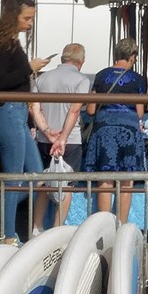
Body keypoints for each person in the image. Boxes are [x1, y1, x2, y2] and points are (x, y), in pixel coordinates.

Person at [0, 0, 49, 244]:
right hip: (8, 111)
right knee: (15, 175)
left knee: (35, 173)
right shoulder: (4, 46)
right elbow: (0, 82)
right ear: (14, 17)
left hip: (16, 112)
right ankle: (7, 235)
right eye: (27, 18)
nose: (30, 23)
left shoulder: (9, 43)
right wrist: (29, 67)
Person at [84, 38, 148, 228]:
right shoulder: (137, 79)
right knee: (126, 180)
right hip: (128, 129)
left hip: (104, 129)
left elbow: (90, 110)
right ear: (131, 56)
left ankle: (104, 226)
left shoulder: (101, 75)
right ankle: (121, 225)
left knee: (105, 177)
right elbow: (139, 112)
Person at [31, 43, 92, 231]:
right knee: (67, 186)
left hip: (43, 139)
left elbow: (34, 107)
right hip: (70, 140)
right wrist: (62, 138)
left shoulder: (42, 79)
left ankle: (36, 227)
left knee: (43, 182)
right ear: (80, 61)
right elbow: (74, 111)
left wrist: (47, 130)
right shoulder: (82, 80)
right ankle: (57, 229)